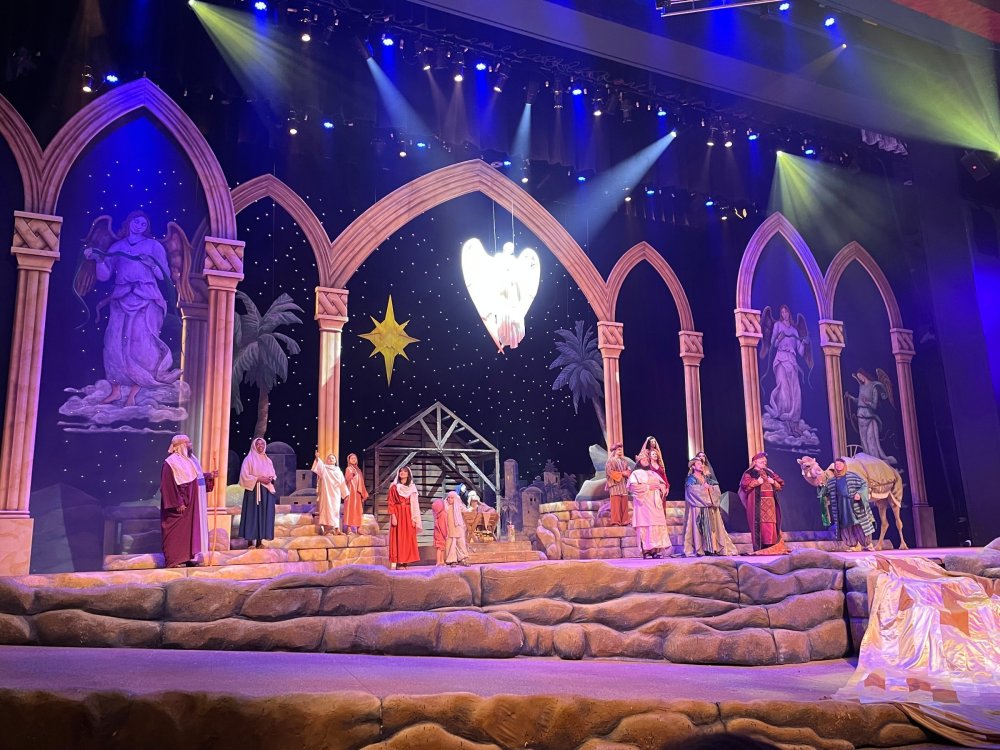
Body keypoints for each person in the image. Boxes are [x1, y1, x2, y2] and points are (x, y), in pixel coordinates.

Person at [81, 210, 179, 406]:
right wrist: (98, 260)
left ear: (147, 227)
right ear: (129, 222)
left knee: (140, 344)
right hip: (121, 297)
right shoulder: (117, 246)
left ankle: (133, 395)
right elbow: (104, 275)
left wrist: (152, 264)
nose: (139, 226)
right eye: (136, 222)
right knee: (114, 342)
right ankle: (115, 391)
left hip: (146, 298)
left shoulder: (154, 246)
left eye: (143, 224)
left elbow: (164, 275)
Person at [159, 434, 215, 568]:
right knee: (176, 533)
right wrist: (178, 502)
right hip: (180, 505)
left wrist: (209, 476)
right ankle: (174, 560)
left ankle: (187, 557)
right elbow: (167, 486)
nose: (190, 445)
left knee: (189, 532)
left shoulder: (190, 460)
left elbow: (195, 478)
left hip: (191, 504)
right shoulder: (170, 463)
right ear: (180, 446)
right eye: (187, 443)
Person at [683, 457, 738, 557]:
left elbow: (716, 489)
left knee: (712, 528)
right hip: (699, 508)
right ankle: (702, 549)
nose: (701, 465)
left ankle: (713, 548)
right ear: (693, 466)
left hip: (710, 508)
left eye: (702, 464)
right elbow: (692, 491)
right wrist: (704, 490)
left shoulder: (707, 478)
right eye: (698, 464)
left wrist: (710, 489)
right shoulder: (691, 479)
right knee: (701, 528)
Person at [820, 457, 876, 551]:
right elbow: (825, 492)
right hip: (842, 506)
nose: (838, 466)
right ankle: (853, 545)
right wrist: (821, 488)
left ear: (844, 465)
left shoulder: (852, 476)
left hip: (853, 504)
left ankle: (867, 544)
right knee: (846, 525)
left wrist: (859, 494)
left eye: (840, 464)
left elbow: (864, 485)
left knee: (859, 523)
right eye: (836, 464)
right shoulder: (832, 481)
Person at [738, 452, 788, 554]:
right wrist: (757, 482)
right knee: (761, 523)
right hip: (758, 502)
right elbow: (745, 487)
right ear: (755, 462)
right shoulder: (749, 473)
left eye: (765, 461)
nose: (764, 462)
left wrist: (773, 482)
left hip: (770, 502)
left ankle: (772, 545)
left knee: (771, 522)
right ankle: (762, 545)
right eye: (762, 461)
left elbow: (779, 486)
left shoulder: (769, 472)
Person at [626, 450, 671, 558]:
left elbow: (662, 484)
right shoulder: (636, 473)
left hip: (655, 504)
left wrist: (662, 487)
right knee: (645, 527)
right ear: (639, 462)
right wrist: (648, 487)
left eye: (647, 459)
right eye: (643, 460)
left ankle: (655, 550)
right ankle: (646, 551)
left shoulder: (653, 473)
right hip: (644, 505)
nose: (646, 461)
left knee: (656, 526)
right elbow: (633, 487)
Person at [238, 437, 278, 549]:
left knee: (263, 515)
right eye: (258, 444)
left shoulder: (268, 460)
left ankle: (260, 542)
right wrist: (258, 479)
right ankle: (250, 542)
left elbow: (273, 473)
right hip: (253, 491)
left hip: (266, 491)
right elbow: (244, 476)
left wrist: (270, 478)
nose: (260, 446)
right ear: (254, 446)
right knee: (252, 514)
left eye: (262, 444)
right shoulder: (249, 459)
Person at [387, 465, 421, 569]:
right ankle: (399, 562)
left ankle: (406, 561)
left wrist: (414, 519)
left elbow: (415, 504)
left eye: (405, 471)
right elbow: (391, 503)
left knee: (408, 537)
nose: (402, 473)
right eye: (401, 471)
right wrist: (393, 516)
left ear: (408, 474)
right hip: (398, 513)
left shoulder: (412, 488)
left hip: (409, 514)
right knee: (399, 537)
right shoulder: (394, 487)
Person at [312, 451, 349, 535]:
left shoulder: (338, 471)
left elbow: (342, 482)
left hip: (336, 493)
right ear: (326, 461)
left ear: (335, 460)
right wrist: (317, 458)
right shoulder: (324, 469)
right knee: (327, 510)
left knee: (336, 510)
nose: (331, 459)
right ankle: (327, 530)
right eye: (329, 458)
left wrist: (345, 494)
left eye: (333, 458)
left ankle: (336, 529)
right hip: (327, 493)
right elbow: (319, 465)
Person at [604, 442, 631, 526]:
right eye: (618, 449)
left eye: (621, 449)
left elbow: (628, 471)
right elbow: (609, 472)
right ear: (614, 451)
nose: (620, 451)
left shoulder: (624, 461)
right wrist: (622, 473)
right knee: (615, 505)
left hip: (623, 485)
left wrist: (628, 473)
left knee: (624, 504)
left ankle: (625, 521)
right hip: (615, 485)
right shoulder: (611, 461)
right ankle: (616, 521)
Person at [343, 453, 369, 534]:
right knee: (350, 509)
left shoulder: (358, 470)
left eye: (355, 458)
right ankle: (349, 529)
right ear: (349, 460)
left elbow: (361, 482)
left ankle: (359, 528)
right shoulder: (348, 469)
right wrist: (352, 474)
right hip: (350, 492)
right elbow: (346, 479)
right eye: (352, 458)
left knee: (358, 510)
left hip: (357, 493)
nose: (354, 459)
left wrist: (363, 493)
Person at [444, 490, 471, 566]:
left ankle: (463, 558)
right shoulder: (445, 506)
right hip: (449, 528)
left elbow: (466, 511)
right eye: (448, 497)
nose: (449, 499)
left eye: (452, 498)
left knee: (461, 543)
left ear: (455, 498)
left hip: (458, 527)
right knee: (451, 544)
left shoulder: (458, 505)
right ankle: (452, 560)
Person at [431, 498, 447, 566]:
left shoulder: (436, 514)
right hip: (441, 534)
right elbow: (443, 525)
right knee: (440, 548)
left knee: (441, 548)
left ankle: (442, 561)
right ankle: (438, 562)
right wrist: (445, 534)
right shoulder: (443, 514)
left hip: (437, 534)